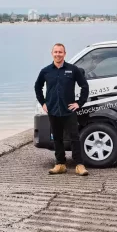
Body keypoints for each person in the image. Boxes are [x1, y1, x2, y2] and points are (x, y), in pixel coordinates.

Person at [34, 43, 90, 176]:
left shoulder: (73, 69)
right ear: (52, 53)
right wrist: (43, 103)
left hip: (69, 110)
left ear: (65, 54)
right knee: (57, 138)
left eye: (60, 52)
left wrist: (79, 103)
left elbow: (84, 86)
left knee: (74, 137)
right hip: (53, 110)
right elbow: (37, 87)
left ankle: (79, 165)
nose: (58, 54)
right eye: (56, 52)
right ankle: (60, 164)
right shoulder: (46, 71)